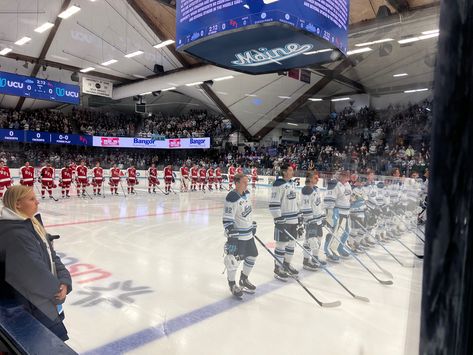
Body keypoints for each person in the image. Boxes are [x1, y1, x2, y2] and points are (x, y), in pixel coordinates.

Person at [0, 185, 72, 340]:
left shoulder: (31, 223)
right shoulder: (14, 233)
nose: (37, 202)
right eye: (32, 199)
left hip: (43, 301)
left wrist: (65, 281)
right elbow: (34, 273)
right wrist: (57, 292)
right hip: (31, 305)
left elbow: (53, 257)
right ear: (18, 204)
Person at [222, 173, 258, 298]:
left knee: (253, 255)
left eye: (247, 182)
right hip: (238, 236)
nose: (246, 184)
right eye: (244, 182)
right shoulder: (232, 197)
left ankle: (244, 279)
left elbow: (248, 212)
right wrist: (231, 236)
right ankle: (232, 284)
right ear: (237, 183)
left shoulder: (246, 193)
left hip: (248, 235)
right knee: (233, 261)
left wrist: (252, 224)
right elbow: (227, 219)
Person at [269, 163, 299, 280]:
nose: (293, 172)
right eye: (291, 170)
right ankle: (278, 267)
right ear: (285, 172)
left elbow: (295, 201)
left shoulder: (292, 184)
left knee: (292, 243)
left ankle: (286, 264)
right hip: (284, 220)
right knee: (281, 244)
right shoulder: (278, 184)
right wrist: (278, 218)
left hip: (294, 219)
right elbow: (273, 203)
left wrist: (299, 215)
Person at [299, 170, 326, 271]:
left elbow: (318, 205)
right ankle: (306, 261)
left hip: (318, 219)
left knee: (318, 238)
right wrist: (309, 220)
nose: (318, 179)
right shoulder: (306, 190)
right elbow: (305, 207)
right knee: (310, 240)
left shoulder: (316, 189)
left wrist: (322, 216)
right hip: (311, 220)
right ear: (310, 179)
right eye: (315, 178)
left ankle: (315, 258)